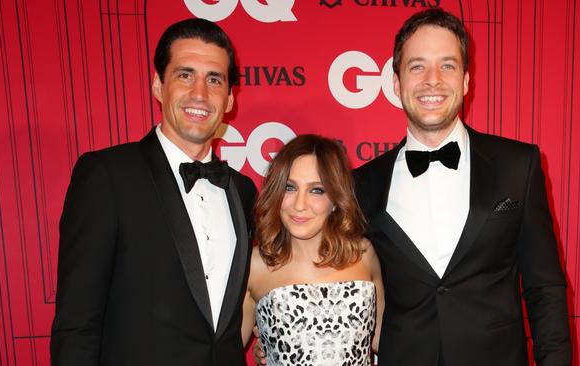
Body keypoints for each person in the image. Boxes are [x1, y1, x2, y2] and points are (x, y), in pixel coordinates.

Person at [352, 8, 572, 366]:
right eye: (417, 66)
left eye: (447, 65)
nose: (433, 80)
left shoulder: (519, 165)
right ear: (396, 83)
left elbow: (544, 287)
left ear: (466, 81)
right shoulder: (362, 183)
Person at [50, 18, 256, 366]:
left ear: (230, 98)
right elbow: (77, 324)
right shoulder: (107, 176)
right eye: (185, 74)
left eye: (214, 79)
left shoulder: (243, 190)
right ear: (158, 86)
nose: (200, 94)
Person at [242, 134, 384, 365]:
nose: (300, 205)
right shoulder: (255, 265)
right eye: (289, 188)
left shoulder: (362, 254)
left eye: (316, 190)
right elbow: (221, 351)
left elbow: (385, 341)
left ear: (336, 199)